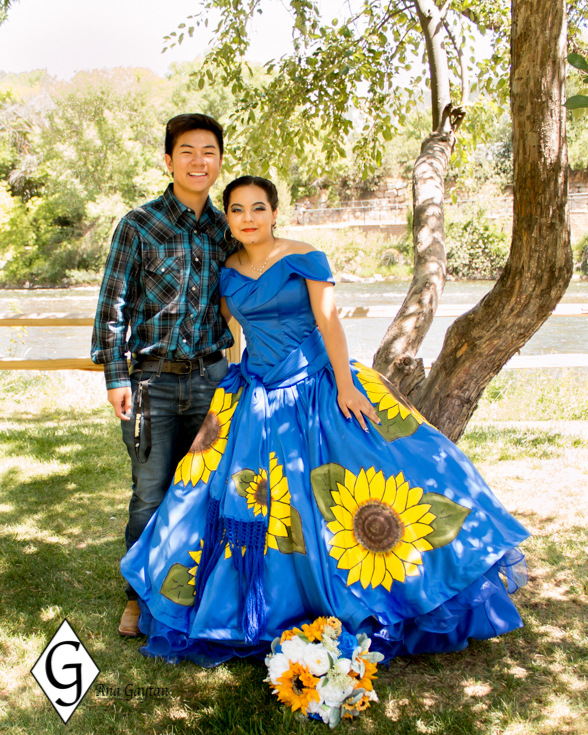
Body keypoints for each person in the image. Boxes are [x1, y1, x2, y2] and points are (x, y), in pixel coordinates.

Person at [121, 175, 529, 666]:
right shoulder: (226, 272)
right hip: (255, 392)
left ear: (274, 213)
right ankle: (245, 604)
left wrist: (346, 384)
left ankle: (390, 590)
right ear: (227, 218)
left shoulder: (306, 257)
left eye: (258, 208)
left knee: (371, 475)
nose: (248, 218)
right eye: (237, 210)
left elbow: (329, 321)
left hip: (315, 381)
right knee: (230, 492)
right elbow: (224, 331)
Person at [91, 114, 237, 638]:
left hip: (213, 380)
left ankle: (196, 593)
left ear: (220, 160)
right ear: (169, 160)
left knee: (208, 491)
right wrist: (116, 378)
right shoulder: (139, 224)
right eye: (187, 152)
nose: (199, 161)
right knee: (150, 493)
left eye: (209, 152)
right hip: (151, 383)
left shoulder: (227, 228)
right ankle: (138, 597)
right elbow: (112, 305)